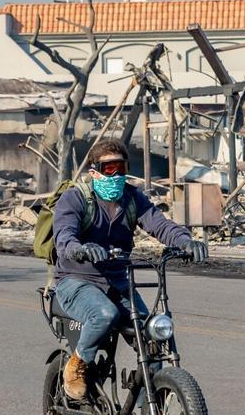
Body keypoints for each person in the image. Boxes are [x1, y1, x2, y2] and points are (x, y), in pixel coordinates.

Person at [53, 138, 207, 400]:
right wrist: (80, 249)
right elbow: (64, 235)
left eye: (121, 168)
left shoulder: (132, 198)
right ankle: (77, 364)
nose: (116, 175)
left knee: (153, 338)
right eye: (109, 169)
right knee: (104, 314)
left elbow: (160, 225)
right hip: (77, 280)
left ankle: (152, 409)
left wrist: (185, 242)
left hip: (118, 281)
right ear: (94, 172)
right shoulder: (75, 198)